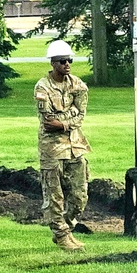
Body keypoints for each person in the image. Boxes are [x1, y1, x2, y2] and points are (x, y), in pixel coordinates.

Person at [35, 40, 91, 250]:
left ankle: (64, 228)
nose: (67, 64)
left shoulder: (78, 85)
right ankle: (61, 234)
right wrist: (71, 115)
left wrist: (64, 122)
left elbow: (81, 115)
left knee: (80, 195)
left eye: (69, 60)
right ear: (53, 63)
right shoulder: (43, 87)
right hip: (52, 149)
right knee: (54, 195)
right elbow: (49, 121)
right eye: (62, 61)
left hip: (76, 145)